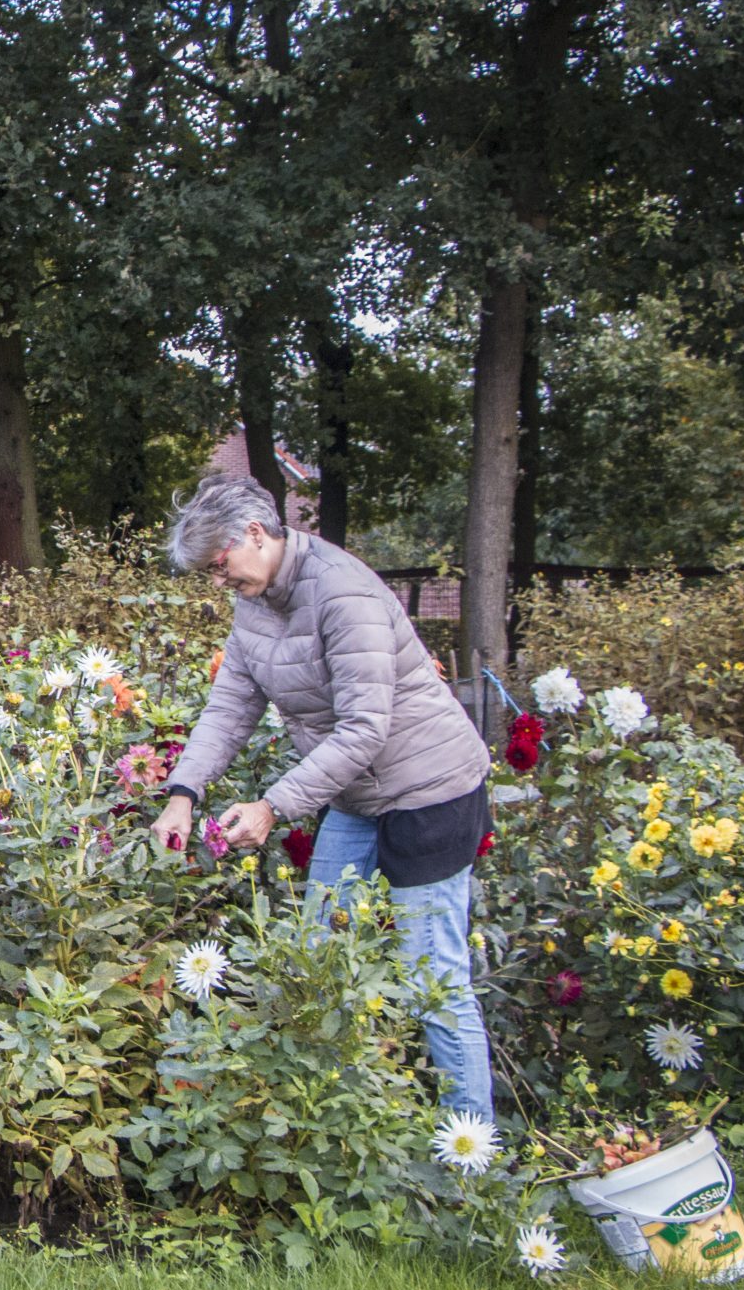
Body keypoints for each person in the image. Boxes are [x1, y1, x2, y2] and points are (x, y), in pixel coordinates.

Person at [149, 473, 496, 1124]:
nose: (220, 582)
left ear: (255, 534)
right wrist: (182, 793)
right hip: (359, 795)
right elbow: (229, 708)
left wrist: (272, 805)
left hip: (432, 791)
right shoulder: (254, 601)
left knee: (434, 980)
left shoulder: (344, 592)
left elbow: (365, 728)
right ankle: (323, 1124)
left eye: (220, 566)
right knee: (314, 953)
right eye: (210, 575)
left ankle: (476, 1166)